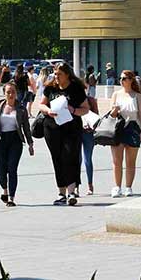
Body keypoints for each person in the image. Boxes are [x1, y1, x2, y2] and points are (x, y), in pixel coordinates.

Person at [35, 63, 90, 206]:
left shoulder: (76, 88)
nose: (56, 76)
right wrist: (47, 111)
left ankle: (72, 191)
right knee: (57, 158)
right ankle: (61, 193)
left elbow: (86, 109)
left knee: (70, 156)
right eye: (55, 73)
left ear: (67, 75)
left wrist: (73, 110)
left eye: (59, 74)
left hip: (71, 129)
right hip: (52, 128)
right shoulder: (50, 87)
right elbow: (41, 105)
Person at [0, 83, 34, 207]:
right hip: (0, 140)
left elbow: (26, 127)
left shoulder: (21, 108)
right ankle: (4, 191)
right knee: (1, 168)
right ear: (4, 93)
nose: (11, 94)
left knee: (12, 168)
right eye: (8, 92)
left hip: (15, 140)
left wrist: (30, 143)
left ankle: (11, 197)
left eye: (13, 92)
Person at [108, 70, 141, 197]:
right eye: (120, 78)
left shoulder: (137, 96)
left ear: (131, 80)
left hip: (133, 126)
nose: (122, 80)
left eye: (124, 78)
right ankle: (117, 187)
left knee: (131, 161)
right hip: (118, 127)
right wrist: (115, 110)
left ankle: (128, 187)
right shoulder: (116, 94)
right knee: (116, 160)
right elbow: (111, 115)